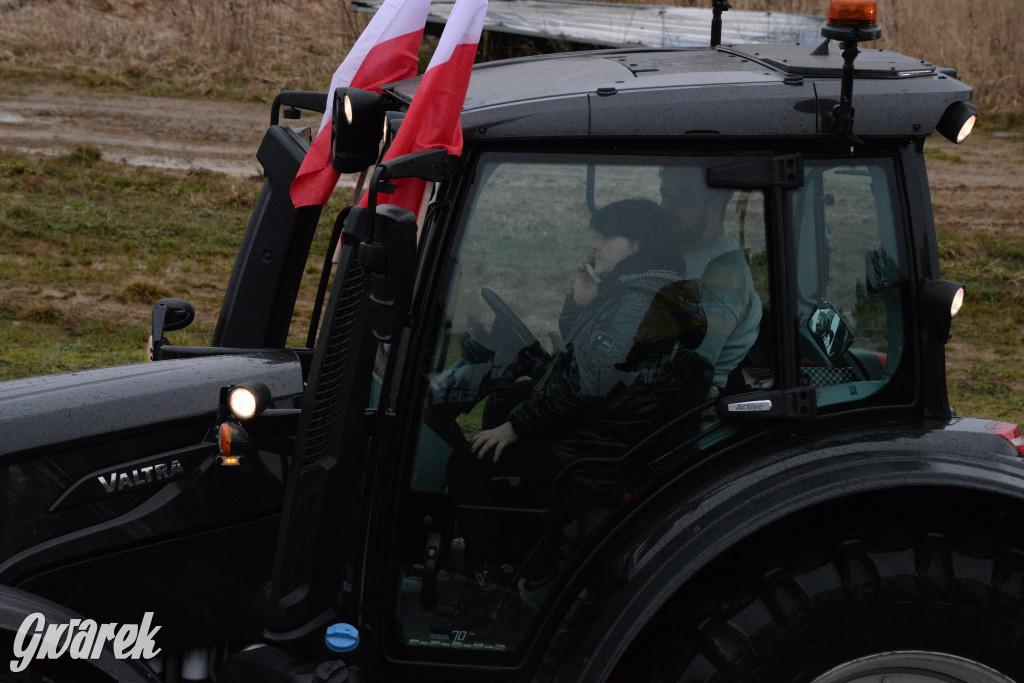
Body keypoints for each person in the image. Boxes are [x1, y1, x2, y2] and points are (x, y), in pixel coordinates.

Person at [446, 198, 709, 568]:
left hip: (594, 457)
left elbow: (591, 385)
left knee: (468, 462)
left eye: (607, 236)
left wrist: (516, 427)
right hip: (609, 433)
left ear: (638, 244)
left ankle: (494, 572)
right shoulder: (645, 292)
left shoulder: (637, 301)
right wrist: (581, 301)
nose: (596, 246)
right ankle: (525, 543)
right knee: (513, 397)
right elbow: (592, 357)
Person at [659, 166, 762, 392]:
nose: (668, 208)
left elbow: (684, 369)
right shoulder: (677, 250)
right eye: (665, 196)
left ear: (715, 206)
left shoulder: (723, 276)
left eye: (684, 200)